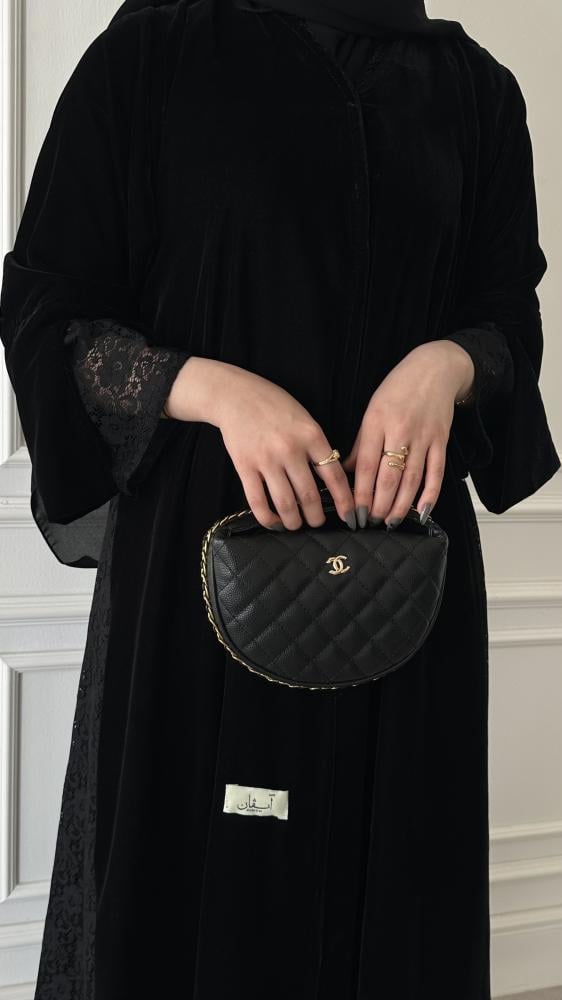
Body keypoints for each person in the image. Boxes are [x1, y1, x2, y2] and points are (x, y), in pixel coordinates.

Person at [0, 0, 559, 997]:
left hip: (402, 564)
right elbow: (49, 305)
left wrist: (447, 365)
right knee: (194, 904)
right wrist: (211, 389)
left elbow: (507, 311)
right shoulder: (157, 50)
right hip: (204, 572)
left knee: (391, 897)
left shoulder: (473, 90)